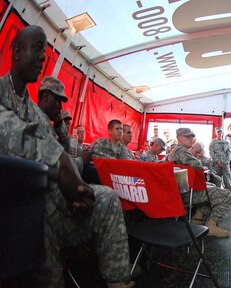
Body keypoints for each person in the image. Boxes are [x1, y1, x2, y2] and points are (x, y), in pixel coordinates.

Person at [0, 25, 133, 287]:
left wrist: (76, 190)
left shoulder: (35, 112)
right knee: (42, 248)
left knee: (105, 198)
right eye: (37, 48)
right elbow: (17, 136)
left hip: (47, 202)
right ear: (16, 52)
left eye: (45, 53)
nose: (42, 57)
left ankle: (119, 278)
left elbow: (60, 152)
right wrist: (68, 173)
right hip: (12, 210)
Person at [168, 128, 231, 238]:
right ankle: (211, 225)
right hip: (185, 194)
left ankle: (197, 218)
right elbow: (198, 165)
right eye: (188, 137)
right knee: (225, 194)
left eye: (192, 136)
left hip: (179, 191)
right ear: (179, 138)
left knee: (211, 186)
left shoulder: (175, 151)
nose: (191, 139)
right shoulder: (181, 151)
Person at [37, 76, 92, 174]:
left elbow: (64, 149)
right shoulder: (37, 122)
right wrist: (81, 161)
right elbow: (53, 166)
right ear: (46, 97)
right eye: (57, 101)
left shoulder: (47, 122)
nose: (61, 106)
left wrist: (58, 125)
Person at [190, 141, 231, 206]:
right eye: (198, 152)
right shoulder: (191, 158)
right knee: (213, 186)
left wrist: (212, 172)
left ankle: (228, 198)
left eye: (201, 151)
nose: (199, 154)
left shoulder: (207, 160)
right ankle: (223, 197)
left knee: (219, 179)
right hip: (196, 179)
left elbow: (211, 169)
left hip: (207, 176)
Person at [209, 127, 231, 192]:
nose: (219, 133)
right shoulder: (213, 143)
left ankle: (229, 197)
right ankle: (217, 197)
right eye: (218, 132)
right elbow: (211, 153)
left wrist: (226, 162)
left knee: (227, 181)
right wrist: (218, 162)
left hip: (225, 165)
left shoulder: (226, 142)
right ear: (216, 133)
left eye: (220, 132)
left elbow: (229, 153)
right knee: (217, 181)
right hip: (217, 164)